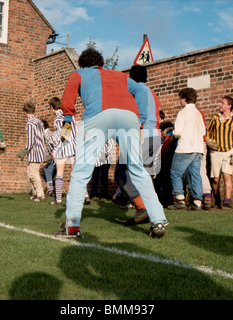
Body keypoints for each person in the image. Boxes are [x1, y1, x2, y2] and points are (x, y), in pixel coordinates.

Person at [53, 48, 168, 239]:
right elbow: (141, 90)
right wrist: (140, 117)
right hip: (129, 117)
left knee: (81, 172)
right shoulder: (120, 76)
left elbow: (68, 103)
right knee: (138, 169)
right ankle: (158, 221)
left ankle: (72, 228)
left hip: (98, 117)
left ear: (82, 63)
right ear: (100, 63)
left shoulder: (78, 73)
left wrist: (63, 136)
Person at [114, 65, 162, 226]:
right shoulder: (153, 94)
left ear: (132, 78)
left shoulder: (135, 91)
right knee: (146, 176)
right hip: (154, 134)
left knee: (122, 171)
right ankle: (154, 214)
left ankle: (142, 208)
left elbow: (136, 116)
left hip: (141, 133)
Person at [169, 88, 205, 211]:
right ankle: (197, 202)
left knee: (175, 173)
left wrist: (171, 135)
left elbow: (178, 132)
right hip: (198, 148)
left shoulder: (182, 113)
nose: (180, 101)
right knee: (195, 174)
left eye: (180, 98)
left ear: (184, 99)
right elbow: (203, 132)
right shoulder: (198, 113)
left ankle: (180, 200)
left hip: (185, 147)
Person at [206, 96, 233, 208]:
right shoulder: (215, 119)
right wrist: (208, 140)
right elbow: (207, 131)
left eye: (222, 103)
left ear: (229, 106)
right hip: (215, 152)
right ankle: (217, 200)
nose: (220, 105)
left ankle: (227, 201)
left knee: (227, 175)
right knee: (215, 179)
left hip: (229, 152)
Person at [48, 97, 80, 205]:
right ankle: (84, 195)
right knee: (76, 172)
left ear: (52, 107)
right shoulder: (69, 115)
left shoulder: (58, 119)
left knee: (59, 173)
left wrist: (55, 149)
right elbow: (75, 131)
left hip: (63, 147)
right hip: (74, 146)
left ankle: (58, 199)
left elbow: (63, 136)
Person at [17, 102, 49, 202]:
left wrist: (24, 151)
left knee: (33, 174)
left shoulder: (30, 123)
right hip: (40, 150)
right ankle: (35, 193)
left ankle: (40, 195)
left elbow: (30, 140)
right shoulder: (39, 122)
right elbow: (43, 137)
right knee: (29, 172)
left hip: (34, 152)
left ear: (25, 112)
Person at [41, 119, 57, 197]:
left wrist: (53, 153)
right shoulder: (46, 134)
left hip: (57, 157)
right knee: (45, 170)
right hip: (54, 157)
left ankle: (51, 190)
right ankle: (52, 189)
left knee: (47, 170)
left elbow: (56, 144)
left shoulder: (49, 134)